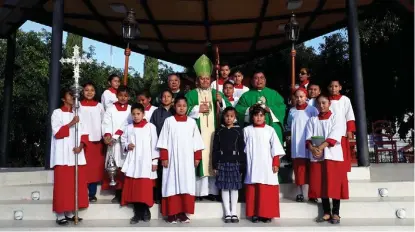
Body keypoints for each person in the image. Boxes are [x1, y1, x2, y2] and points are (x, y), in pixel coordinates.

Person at [185, 54, 231, 201]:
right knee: (200, 158)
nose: (205, 81)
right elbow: (182, 110)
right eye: (202, 78)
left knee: (213, 158)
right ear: (197, 80)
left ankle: (213, 192)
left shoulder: (216, 93)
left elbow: (230, 112)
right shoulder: (191, 94)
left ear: (211, 80)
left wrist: (222, 101)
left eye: (207, 78)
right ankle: (199, 192)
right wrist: (197, 109)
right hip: (198, 133)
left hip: (213, 132)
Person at [157, 96, 205, 224]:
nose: (182, 108)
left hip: (187, 160)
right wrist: (164, 157)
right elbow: (163, 140)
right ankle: (171, 213)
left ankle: (183, 213)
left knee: (186, 184)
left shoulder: (192, 122)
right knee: (171, 184)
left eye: (184, 105)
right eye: (179, 105)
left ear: (187, 107)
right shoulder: (169, 121)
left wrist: (197, 157)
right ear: (174, 106)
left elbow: (197, 141)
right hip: (172, 160)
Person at [305, 93, 349, 224]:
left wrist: (321, 147)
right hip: (318, 157)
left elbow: (334, 136)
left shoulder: (336, 118)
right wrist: (313, 149)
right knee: (321, 184)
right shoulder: (312, 120)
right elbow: (308, 138)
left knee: (334, 184)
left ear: (329, 104)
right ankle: (326, 212)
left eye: (324, 102)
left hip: (333, 156)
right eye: (319, 103)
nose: (321, 105)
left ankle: (336, 213)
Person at [50, 88, 88, 225]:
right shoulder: (57, 113)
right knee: (62, 186)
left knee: (74, 185)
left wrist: (81, 146)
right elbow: (57, 133)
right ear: (63, 99)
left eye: (73, 95)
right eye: (69, 95)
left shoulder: (78, 113)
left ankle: (71, 212)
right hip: (62, 155)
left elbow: (84, 133)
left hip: (75, 154)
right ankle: (60, 214)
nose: (72, 97)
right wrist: (72, 123)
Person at [244, 105, 285, 223]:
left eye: (261, 115)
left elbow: (276, 148)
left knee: (266, 189)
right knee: (254, 188)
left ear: (265, 117)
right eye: (256, 115)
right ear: (252, 117)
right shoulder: (247, 130)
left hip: (267, 164)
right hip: (252, 164)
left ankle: (266, 213)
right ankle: (254, 213)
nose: (258, 118)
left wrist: (276, 162)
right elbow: (243, 149)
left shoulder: (270, 130)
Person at [121, 103, 159, 224]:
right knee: (135, 188)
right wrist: (127, 146)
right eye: (134, 114)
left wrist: (155, 161)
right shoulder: (129, 127)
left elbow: (154, 144)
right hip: (134, 161)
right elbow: (123, 140)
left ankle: (146, 210)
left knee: (145, 187)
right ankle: (137, 213)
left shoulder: (150, 127)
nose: (136, 116)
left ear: (143, 114)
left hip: (146, 161)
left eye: (138, 114)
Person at [212, 107, 246, 223]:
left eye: (231, 116)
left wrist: (242, 164)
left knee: (234, 188)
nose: (229, 118)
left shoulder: (238, 131)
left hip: (235, 162)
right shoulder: (219, 131)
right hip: (222, 162)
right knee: (225, 188)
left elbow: (242, 149)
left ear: (235, 117)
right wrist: (215, 165)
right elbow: (215, 149)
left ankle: (234, 213)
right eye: (227, 116)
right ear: (223, 117)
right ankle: (227, 213)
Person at [235, 70, 286, 144]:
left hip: (271, 127)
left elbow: (282, 107)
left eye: (261, 78)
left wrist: (270, 109)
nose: (259, 80)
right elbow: (238, 109)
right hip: (253, 130)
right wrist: (249, 109)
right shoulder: (246, 95)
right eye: (256, 78)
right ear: (252, 81)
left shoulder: (273, 94)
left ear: (265, 80)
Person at [287, 88, 318, 202]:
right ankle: (300, 193)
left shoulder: (312, 110)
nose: (299, 99)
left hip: (310, 143)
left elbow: (317, 125)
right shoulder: (292, 111)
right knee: (299, 169)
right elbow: (289, 126)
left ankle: (313, 193)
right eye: (297, 97)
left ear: (306, 97)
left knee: (312, 169)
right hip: (297, 145)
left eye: (302, 96)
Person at [101, 85, 132, 203]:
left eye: (125, 96)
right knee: (115, 167)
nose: (123, 98)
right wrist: (108, 136)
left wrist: (115, 136)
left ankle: (126, 192)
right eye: (120, 95)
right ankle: (118, 193)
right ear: (117, 96)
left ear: (129, 97)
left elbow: (127, 125)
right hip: (113, 144)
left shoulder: (131, 109)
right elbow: (106, 123)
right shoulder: (110, 108)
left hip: (125, 142)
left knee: (126, 167)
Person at [79, 82, 105, 202]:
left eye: (92, 90)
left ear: (95, 92)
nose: (89, 92)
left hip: (96, 141)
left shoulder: (99, 106)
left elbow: (104, 122)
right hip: (82, 141)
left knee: (94, 169)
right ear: (82, 92)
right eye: (86, 90)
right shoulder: (78, 105)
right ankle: (82, 193)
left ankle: (92, 194)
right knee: (83, 168)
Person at [150, 89, 175, 203]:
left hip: (174, 146)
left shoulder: (176, 111)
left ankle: (172, 195)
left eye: (168, 96)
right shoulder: (156, 112)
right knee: (160, 172)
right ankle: (159, 196)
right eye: (163, 96)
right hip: (160, 145)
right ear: (160, 99)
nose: (166, 98)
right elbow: (152, 129)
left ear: (172, 99)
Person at [328, 79, 356, 172]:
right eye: (331, 86)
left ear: (340, 87)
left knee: (343, 152)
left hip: (342, 131)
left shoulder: (345, 99)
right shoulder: (326, 100)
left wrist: (350, 130)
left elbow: (349, 115)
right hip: (329, 131)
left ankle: (343, 170)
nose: (333, 88)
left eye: (336, 86)